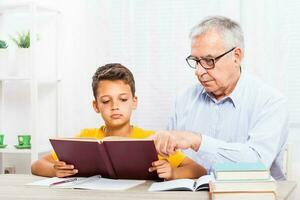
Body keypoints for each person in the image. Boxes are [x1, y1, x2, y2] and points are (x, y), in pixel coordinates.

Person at [152, 16, 288, 180]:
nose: (199, 71)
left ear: (236, 56)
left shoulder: (270, 102)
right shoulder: (183, 100)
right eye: (196, 61)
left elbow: (257, 164)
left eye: (209, 60)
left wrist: (198, 141)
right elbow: (171, 158)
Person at [31, 63, 206, 180]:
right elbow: (37, 164)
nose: (115, 106)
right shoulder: (85, 138)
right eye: (106, 101)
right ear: (96, 105)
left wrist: (173, 172)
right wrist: (54, 170)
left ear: (134, 102)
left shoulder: (151, 139)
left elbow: (198, 170)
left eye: (122, 99)